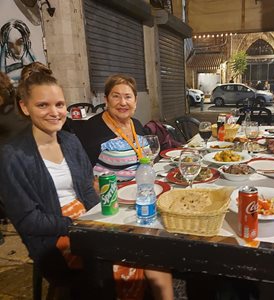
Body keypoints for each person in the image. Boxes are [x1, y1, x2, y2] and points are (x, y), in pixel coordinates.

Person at [0, 65, 100, 296]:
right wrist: (76, 225)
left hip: (85, 223)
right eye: (42, 105)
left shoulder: (70, 141)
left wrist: (102, 220)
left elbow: (86, 189)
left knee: (138, 249)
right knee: (116, 261)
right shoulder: (12, 155)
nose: (54, 112)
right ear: (25, 107)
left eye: (59, 104)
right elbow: (28, 220)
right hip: (50, 238)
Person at [77, 74, 173, 299]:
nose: (123, 103)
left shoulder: (136, 124)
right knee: (153, 249)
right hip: (113, 205)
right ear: (106, 99)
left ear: (136, 101)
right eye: (116, 96)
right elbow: (83, 175)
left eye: (128, 97)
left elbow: (146, 160)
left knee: (168, 236)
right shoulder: (91, 129)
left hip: (142, 198)